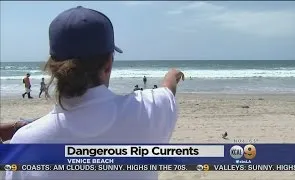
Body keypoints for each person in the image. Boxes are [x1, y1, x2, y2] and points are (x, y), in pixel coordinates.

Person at [6, 6, 184, 180]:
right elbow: (167, 91)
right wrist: (172, 74)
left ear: (53, 67)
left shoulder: (24, 143)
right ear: (108, 65)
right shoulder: (149, 110)